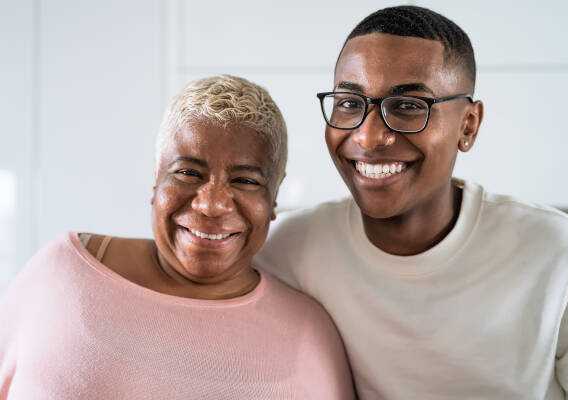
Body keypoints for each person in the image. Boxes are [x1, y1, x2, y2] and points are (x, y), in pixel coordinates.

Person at [255, 6, 568, 399]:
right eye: (349, 103)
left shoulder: (563, 256)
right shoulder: (287, 252)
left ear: (468, 125)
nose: (368, 138)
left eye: (408, 106)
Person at [0, 75, 355, 399]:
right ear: (157, 180)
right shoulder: (60, 273)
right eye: (188, 172)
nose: (212, 205)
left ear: (273, 197)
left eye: (245, 180)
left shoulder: (310, 334)